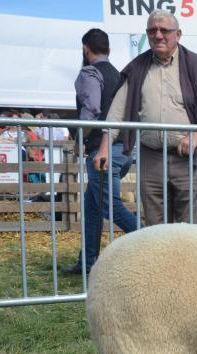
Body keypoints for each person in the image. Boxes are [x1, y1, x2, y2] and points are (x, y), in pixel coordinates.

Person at [95, 9, 197, 226]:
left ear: (178, 34)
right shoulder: (137, 67)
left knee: (187, 223)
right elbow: (117, 112)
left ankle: (186, 261)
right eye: (152, 30)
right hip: (151, 157)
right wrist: (104, 147)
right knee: (155, 224)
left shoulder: (195, 65)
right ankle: (160, 261)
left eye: (164, 30)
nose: (157, 35)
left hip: (189, 158)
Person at [62, 28, 140, 275]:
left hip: (102, 151)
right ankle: (87, 262)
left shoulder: (89, 72)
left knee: (111, 207)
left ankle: (154, 243)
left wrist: (79, 138)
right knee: (93, 206)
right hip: (123, 150)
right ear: (108, 49)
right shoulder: (119, 75)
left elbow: (91, 108)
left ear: (86, 48)